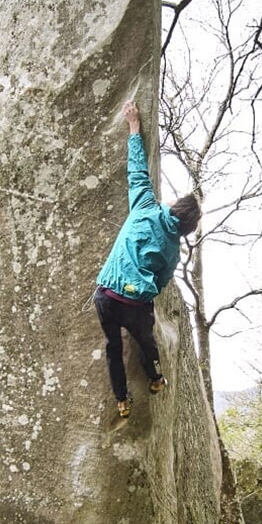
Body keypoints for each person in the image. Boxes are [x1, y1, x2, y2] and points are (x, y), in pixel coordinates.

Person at [94, 100, 201, 418]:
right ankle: (155, 379)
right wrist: (142, 292)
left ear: (174, 205)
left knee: (114, 347)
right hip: (133, 304)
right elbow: (162, 281)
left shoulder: (145, 204)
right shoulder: (172, 250)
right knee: (146, 340)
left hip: (106, 295)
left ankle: (122, 400)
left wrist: (134, 127)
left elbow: (136, 169)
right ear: (186, 228)